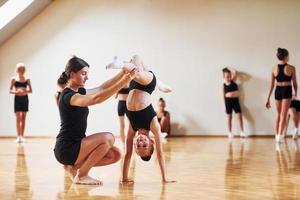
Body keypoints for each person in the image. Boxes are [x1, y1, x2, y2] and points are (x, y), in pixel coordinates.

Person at [54, 56, 137, 185]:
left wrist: (123, 72)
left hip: (76, 145)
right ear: (72, 74)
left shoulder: (79, 91)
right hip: (67, 148)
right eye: (83, 73)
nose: (87, 77)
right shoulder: (69, 96)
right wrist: (125, 81)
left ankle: (73, 168)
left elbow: (101, 88)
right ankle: (82, 175)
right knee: (108, 138)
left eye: (87, 74)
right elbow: (96, 99)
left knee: (114, 155)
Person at [109, 55, 175, 183]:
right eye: (144, 145)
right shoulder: (154, 125)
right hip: (148, 84)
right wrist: (164, 178)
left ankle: (159, 83)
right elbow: (160, 154)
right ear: (152, 142)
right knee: (137, 60)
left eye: (138, 146)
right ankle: (120, 65)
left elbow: (128, 155)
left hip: (134, 85)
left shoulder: (132, 129)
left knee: (135, 63)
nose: (140, 142)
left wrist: (124, 178)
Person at [266, 48, 298, 143]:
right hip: (286, 91)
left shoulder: (274, 68)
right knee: (283, 115)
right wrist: (295, 94)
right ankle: (279, 136)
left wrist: (268, 98)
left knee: (279, 115)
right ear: (286, 56)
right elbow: (295, 84)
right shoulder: (291, 68)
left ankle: (277, 135)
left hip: (278, 91)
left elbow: (271, 85)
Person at [9, 63, 32, 143]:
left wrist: (25, 91)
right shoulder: (14, 79)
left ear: (24, 70)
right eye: (19, 69)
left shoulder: (27, 79)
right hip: (17, 99)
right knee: (18, 118)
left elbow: (30, 90)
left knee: (23, 118)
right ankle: (18, 136)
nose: (21, 71)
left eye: (23, 69)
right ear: (17, 70)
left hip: (25, 99)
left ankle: (22, 136)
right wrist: (17, 92)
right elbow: (10, 90)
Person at [222, 67, 246, 138]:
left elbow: (235, 72)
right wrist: (225, 106)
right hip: (228, 103)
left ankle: (242, 132)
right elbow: (223, 96)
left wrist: (228, 68)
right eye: (227, 77)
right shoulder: (223, 86)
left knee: (239, 116)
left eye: (230, 76)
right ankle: (229, 132)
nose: (229, 78)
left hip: (235, 102)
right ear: (224, 77)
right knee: (229, 117)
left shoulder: (233, 80)